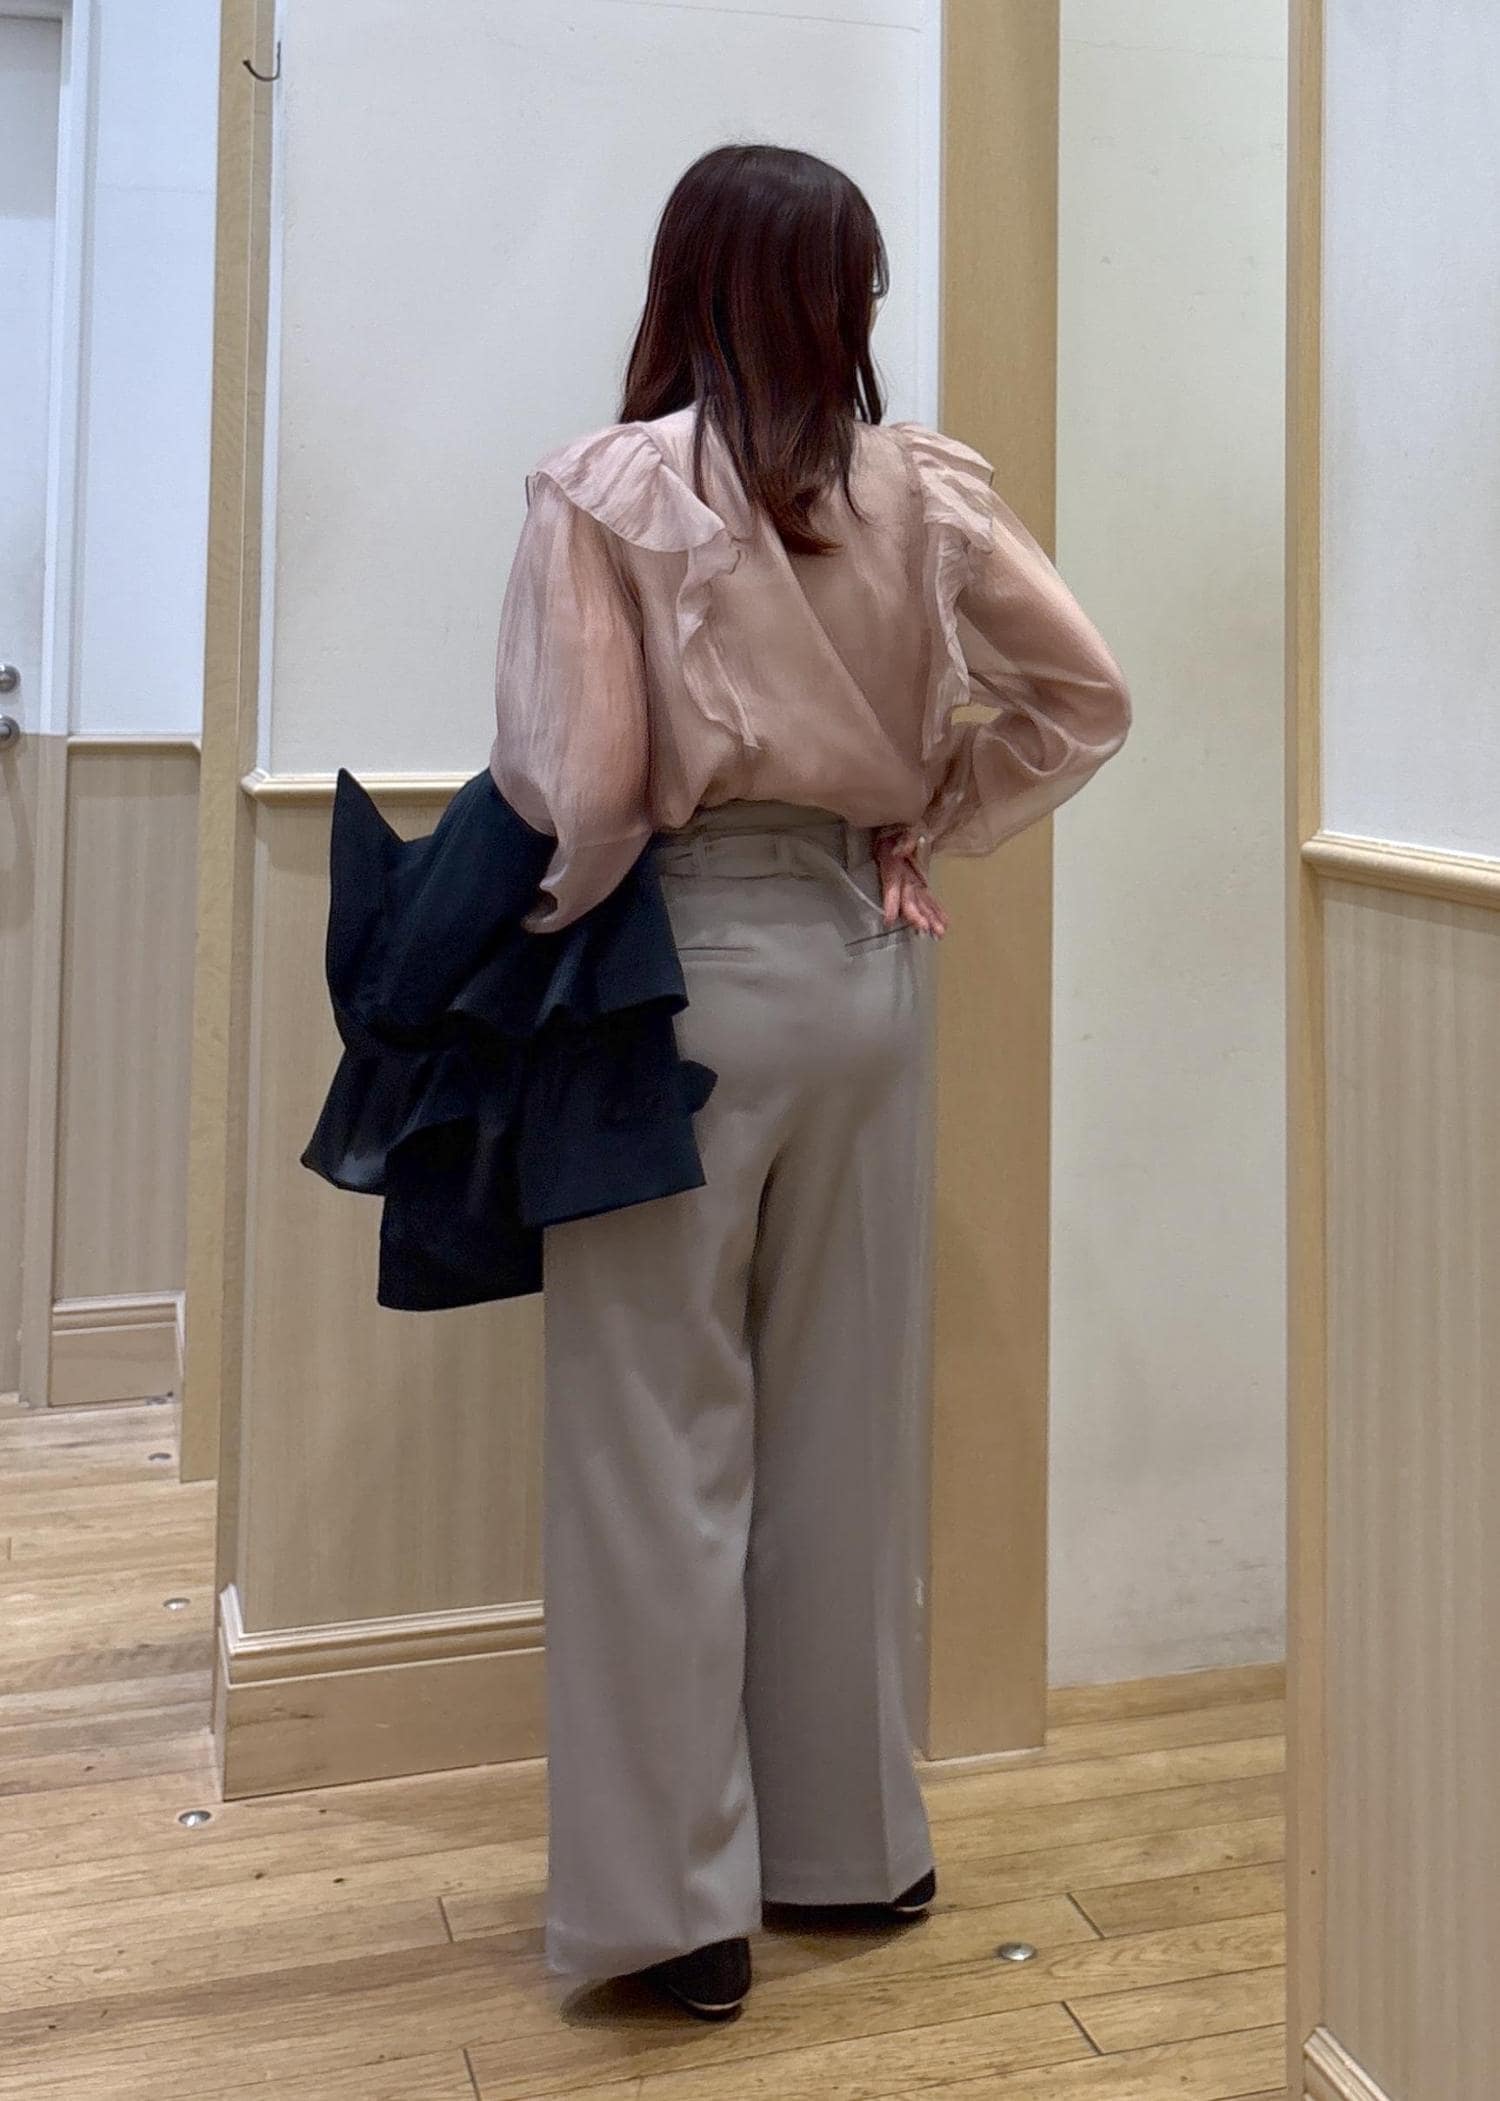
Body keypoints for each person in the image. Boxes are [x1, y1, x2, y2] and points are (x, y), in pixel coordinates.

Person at [488, 142, 1132, 2020]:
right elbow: (1085, 697)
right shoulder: (922, 489)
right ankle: (853, 1848)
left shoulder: (608, 487)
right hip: (864, 969)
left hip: (671, 976)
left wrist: (530, 934)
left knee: (652, 1436)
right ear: (847, 292)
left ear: (680, 280)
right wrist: (925, 813)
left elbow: (594, 791)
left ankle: (674, 1912)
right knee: (846, 1413)